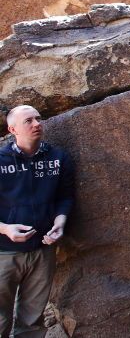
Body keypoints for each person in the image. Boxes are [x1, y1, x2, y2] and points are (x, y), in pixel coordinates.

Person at [0, 105, 75, 338]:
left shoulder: (58, 158)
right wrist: (5, 229)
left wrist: (60, 223)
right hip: (4, 253)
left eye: (38, 118)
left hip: (43, 250)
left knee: (32, 321)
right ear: (13, 129)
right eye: (29, 121)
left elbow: (65, 197)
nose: (36, 124)